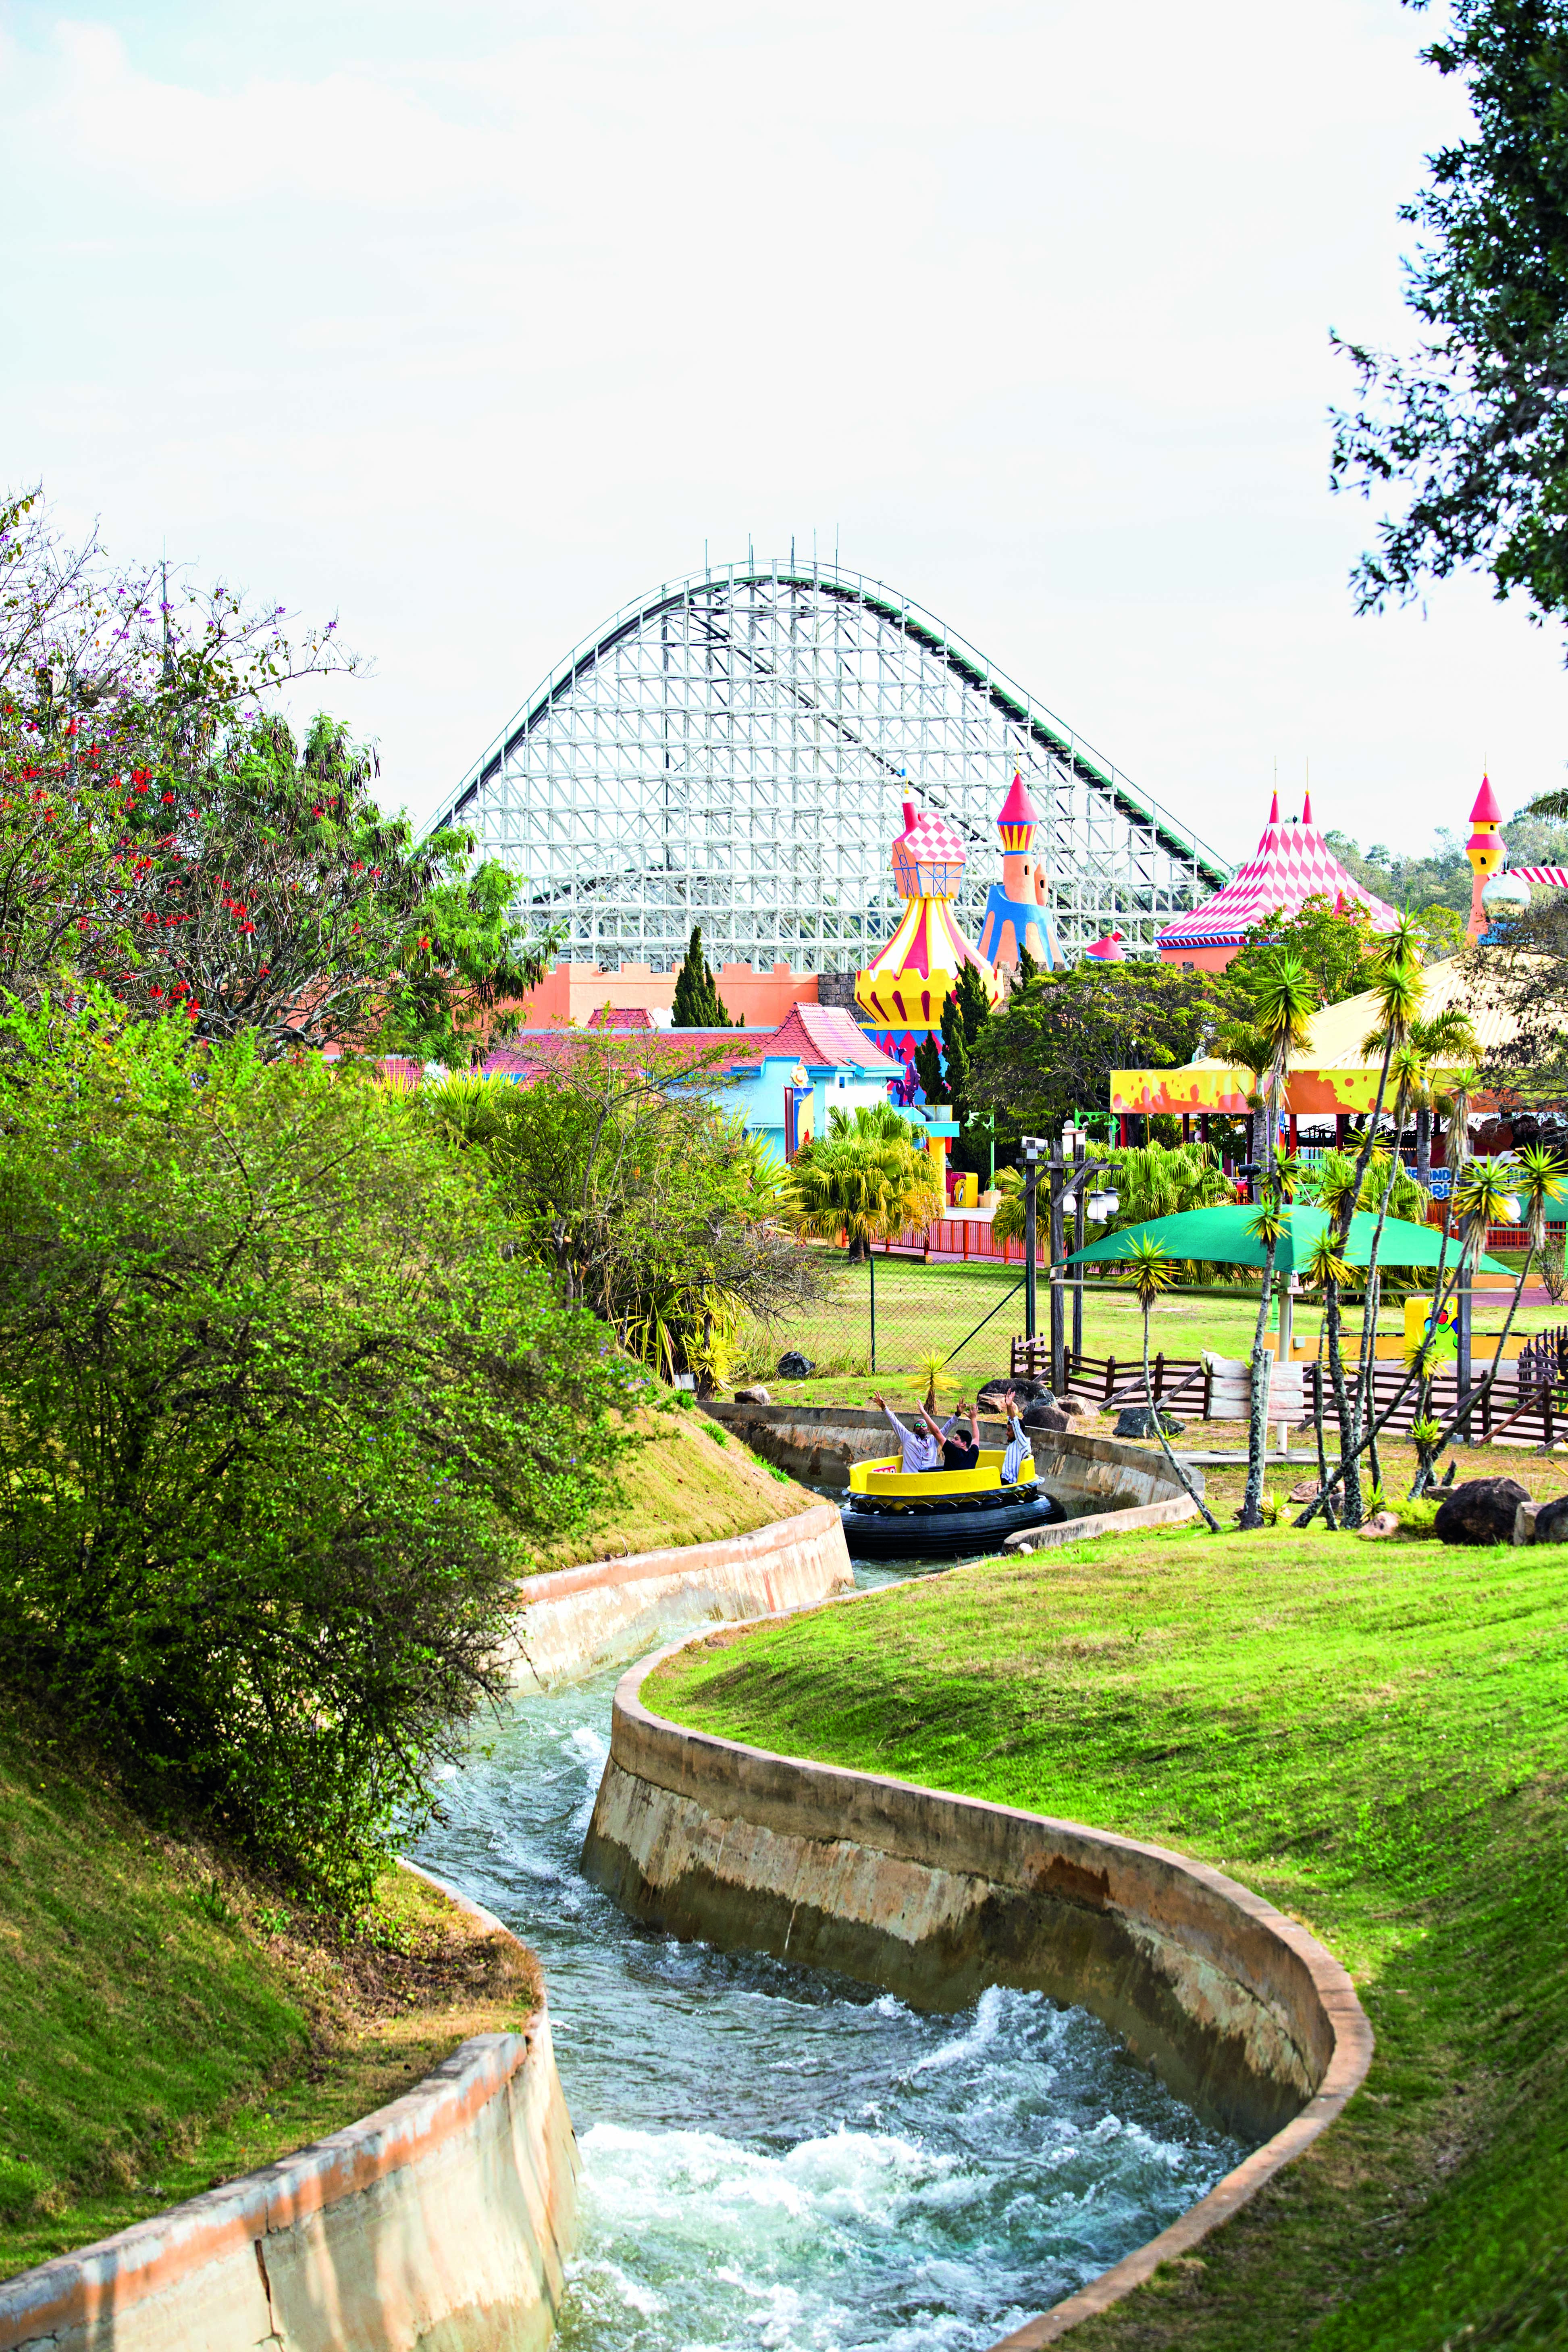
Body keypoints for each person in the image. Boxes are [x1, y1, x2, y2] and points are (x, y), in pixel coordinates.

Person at [873, 1392, 944, 1473]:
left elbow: (945, 1429)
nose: (921, 1426)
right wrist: (884, 1407)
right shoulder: (907, 1437)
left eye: (924, 1425)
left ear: (928, 1430)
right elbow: (895, 1422)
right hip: (909, 1480)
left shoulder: (934, 1441)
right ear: (914, 1430)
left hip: (928, 1480)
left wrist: (957, 1415)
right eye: (918, 1425)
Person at [920, 1396, 979, 1471]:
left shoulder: (954, 1452)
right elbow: (976, 1438)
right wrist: (973, 1419)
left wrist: (924, 1413)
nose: (952, 1441)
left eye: (956, 1439)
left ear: (964, 1444)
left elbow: (936, 1433)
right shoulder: (973, 1455)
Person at [999, 1387, 1031, 1485]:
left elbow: (1016, 1425)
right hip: (1003, 1478)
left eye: (1009, 1431)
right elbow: (1011, 1421)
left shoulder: (1023, 1443)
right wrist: (1008, 1407)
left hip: (1010, 1483)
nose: (1006, 1433)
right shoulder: (1013, 1444)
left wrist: (1010, 1406)